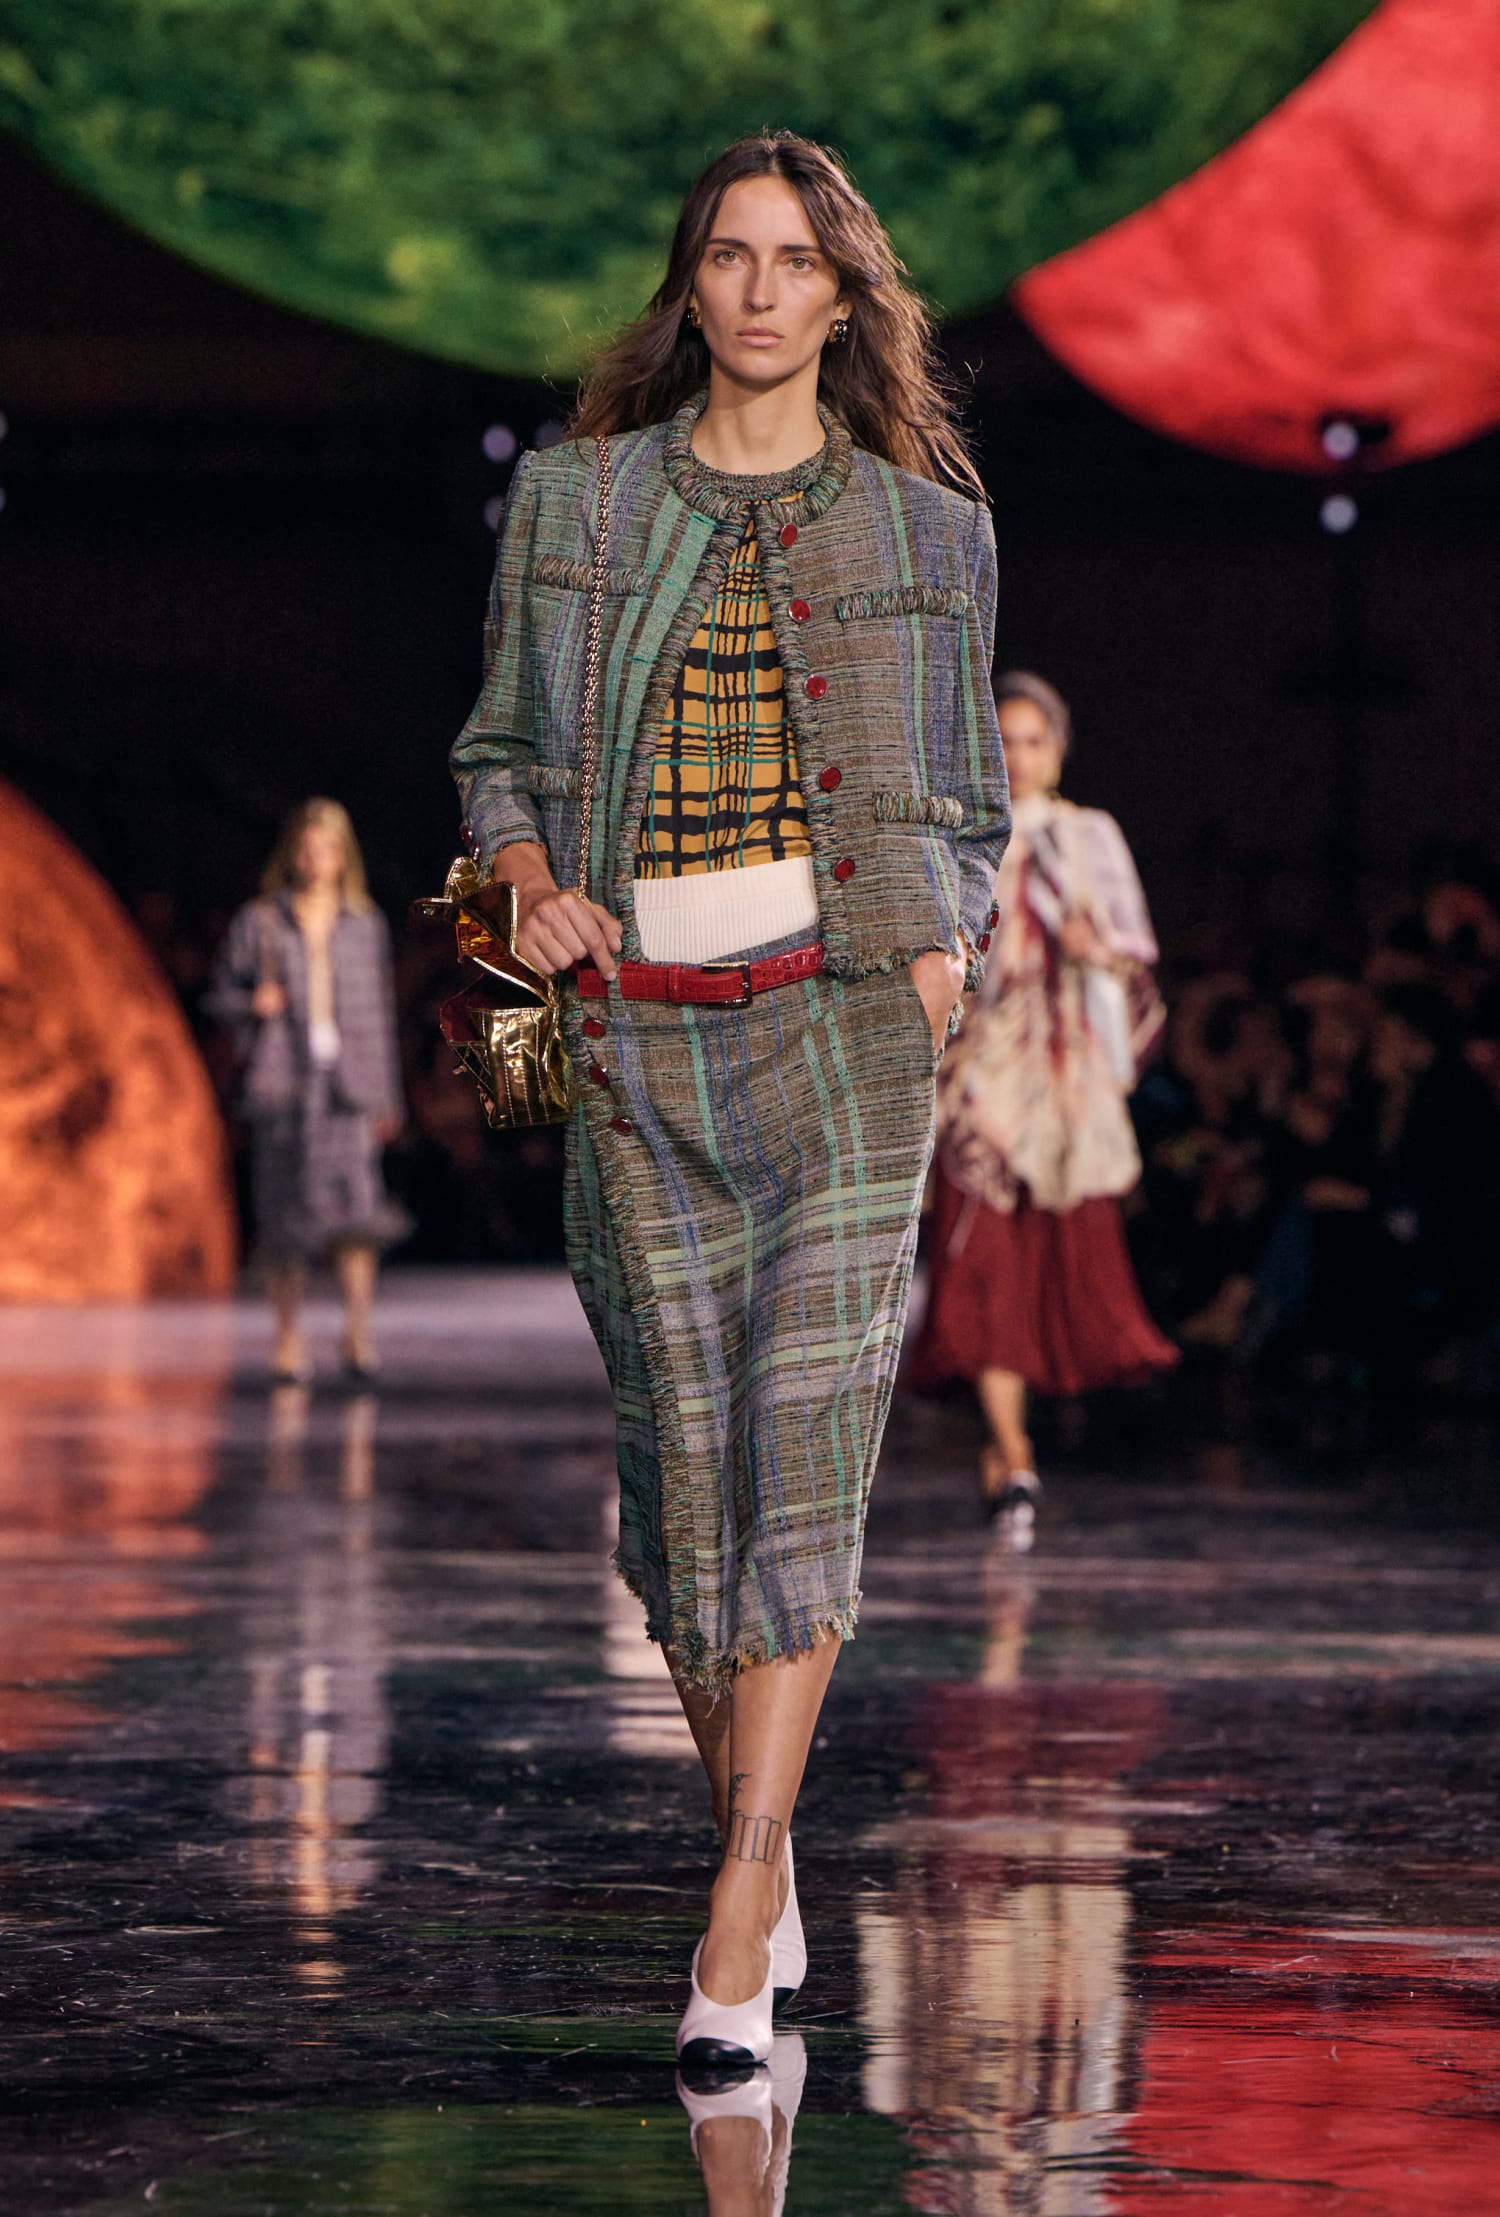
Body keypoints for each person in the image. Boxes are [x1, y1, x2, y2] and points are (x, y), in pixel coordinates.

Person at [449, 131, 1008, 2071]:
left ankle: (744, 1894)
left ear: (846, 299)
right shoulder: (581, 499)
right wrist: (529, 884)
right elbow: (497, 755)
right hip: (633, 1037)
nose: (763, 291)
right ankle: (756, 1852)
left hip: (850, 1028)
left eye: (797, 262)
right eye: (730, 256)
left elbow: (965, 800)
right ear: (690, 286)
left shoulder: (930, 532)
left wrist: (937, 956)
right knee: (689, 1489)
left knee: (806, 1443)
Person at [905, 672, 1175, 1532]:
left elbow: (1135, 972)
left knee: (1040, 1272)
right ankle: (1014, 1449)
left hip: (1061, 1088)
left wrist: (1098, 953)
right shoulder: (958, 839)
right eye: (1005, 739)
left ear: (1058, 748)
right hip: (979, 1083)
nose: (1019, 756)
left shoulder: (1089, 837)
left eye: (1034, 740)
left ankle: (1007, 1452)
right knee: (984, 1268)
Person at [209, 799, 406, 1382]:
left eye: (328, 848)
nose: (317, 859)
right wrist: (253, 1003)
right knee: (284, 1213)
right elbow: (220, 993)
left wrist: (387, 1097)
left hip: (350, 1082)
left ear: (344, 855)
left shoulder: (364, 923)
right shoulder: (261, 920)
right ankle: (288, 1340)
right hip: (284, 1079)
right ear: (292, 852)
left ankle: (358, 1334)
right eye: (307, 847)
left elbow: (380, 1014)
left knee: (358, 1214)